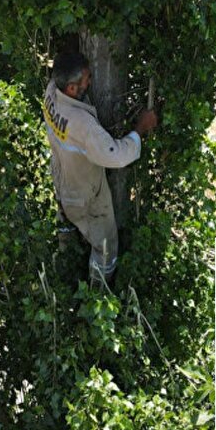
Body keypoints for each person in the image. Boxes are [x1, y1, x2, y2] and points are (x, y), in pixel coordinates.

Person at [43, 45, 157, 281]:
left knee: (66, 221)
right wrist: (140, 128)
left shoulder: (52, 92)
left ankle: (64, 262)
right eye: (87, 79)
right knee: (105, 247)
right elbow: (116, 155)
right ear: (72, 88)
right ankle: (98, 291)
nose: (90, 82)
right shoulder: (82, 125)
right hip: (85, 195)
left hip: (62, 178)